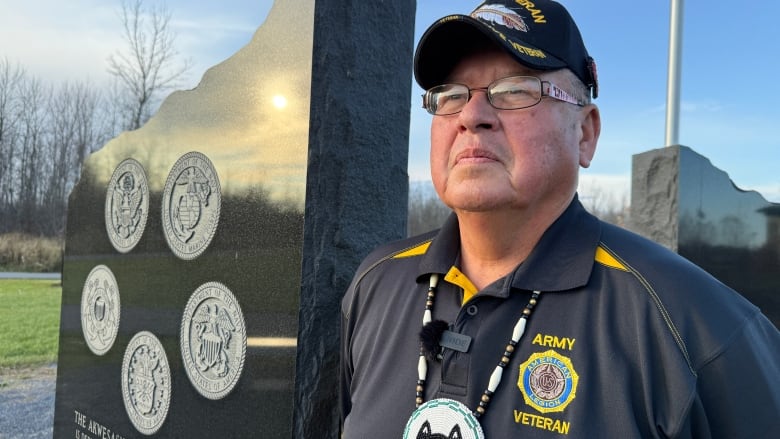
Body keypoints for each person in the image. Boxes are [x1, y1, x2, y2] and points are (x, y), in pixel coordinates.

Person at [340, 1, 780, 437]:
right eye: (451, 96)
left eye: (515, 89)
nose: (471, 116)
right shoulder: (378, 284)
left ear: (585, 133)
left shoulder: (691, 324)